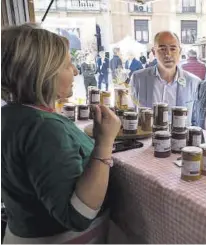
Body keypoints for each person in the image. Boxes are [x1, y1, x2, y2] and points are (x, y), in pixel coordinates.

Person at [1, 24, 121, 243]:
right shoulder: (43, 127)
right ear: (43, 74)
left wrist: (83, 139)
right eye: (67, 65)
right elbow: (77, 215)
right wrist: (104, 142)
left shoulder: (10, 113)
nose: (75, 71)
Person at [129, 31, 201, 121]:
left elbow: (196, 121)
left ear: (180, 51)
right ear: (154, 52)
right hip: (148, 134)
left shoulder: (193, 82)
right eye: (162, 49)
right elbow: (131, 114)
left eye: (173, 49)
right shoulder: (138, 79)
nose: (168, 54)